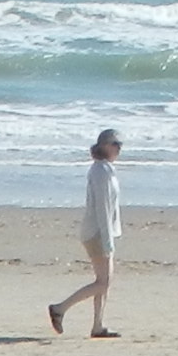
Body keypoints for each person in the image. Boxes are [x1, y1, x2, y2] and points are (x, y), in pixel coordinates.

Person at [50, 127, 124, 340]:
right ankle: (60, 308)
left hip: (104, 231)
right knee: (103, 282)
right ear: (104, 146)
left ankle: (98, 325)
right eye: (115, 145)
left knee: (104, 281)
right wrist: (108, 240)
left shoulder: (106, 169)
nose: (118, 149)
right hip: (97, 232)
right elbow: (102, 207)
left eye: (119, 145)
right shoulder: (100, 171)